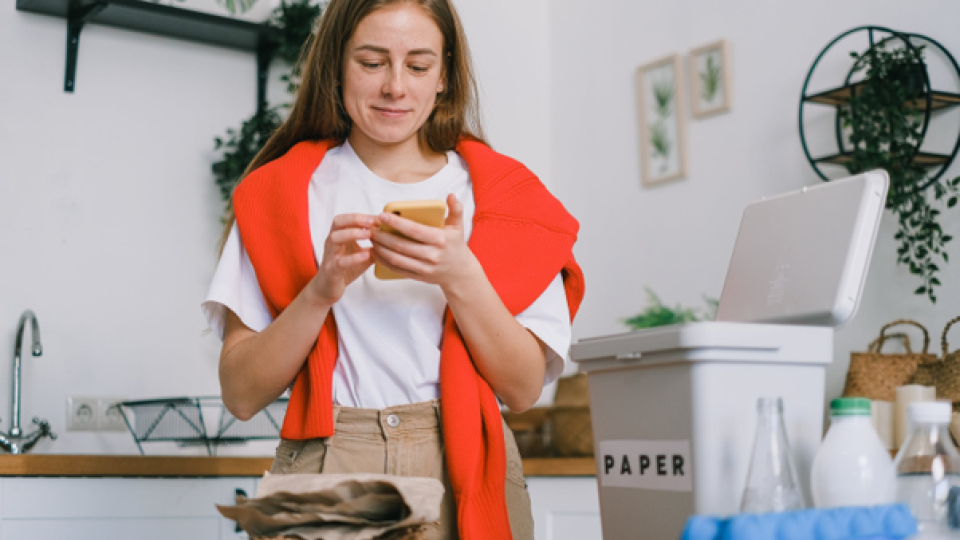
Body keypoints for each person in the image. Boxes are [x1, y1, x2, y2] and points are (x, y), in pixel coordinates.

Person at [202, 0, 585, 538]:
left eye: (419, 65)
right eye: (372, 61)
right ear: (337, 65)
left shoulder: (506, 200)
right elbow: (240, 395)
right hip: (329, 456)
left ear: (445, 76)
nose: (396, 87)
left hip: (463, 458)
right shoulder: (279, 193)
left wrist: (460, 275)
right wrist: (320, 291)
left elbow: (522, 390)